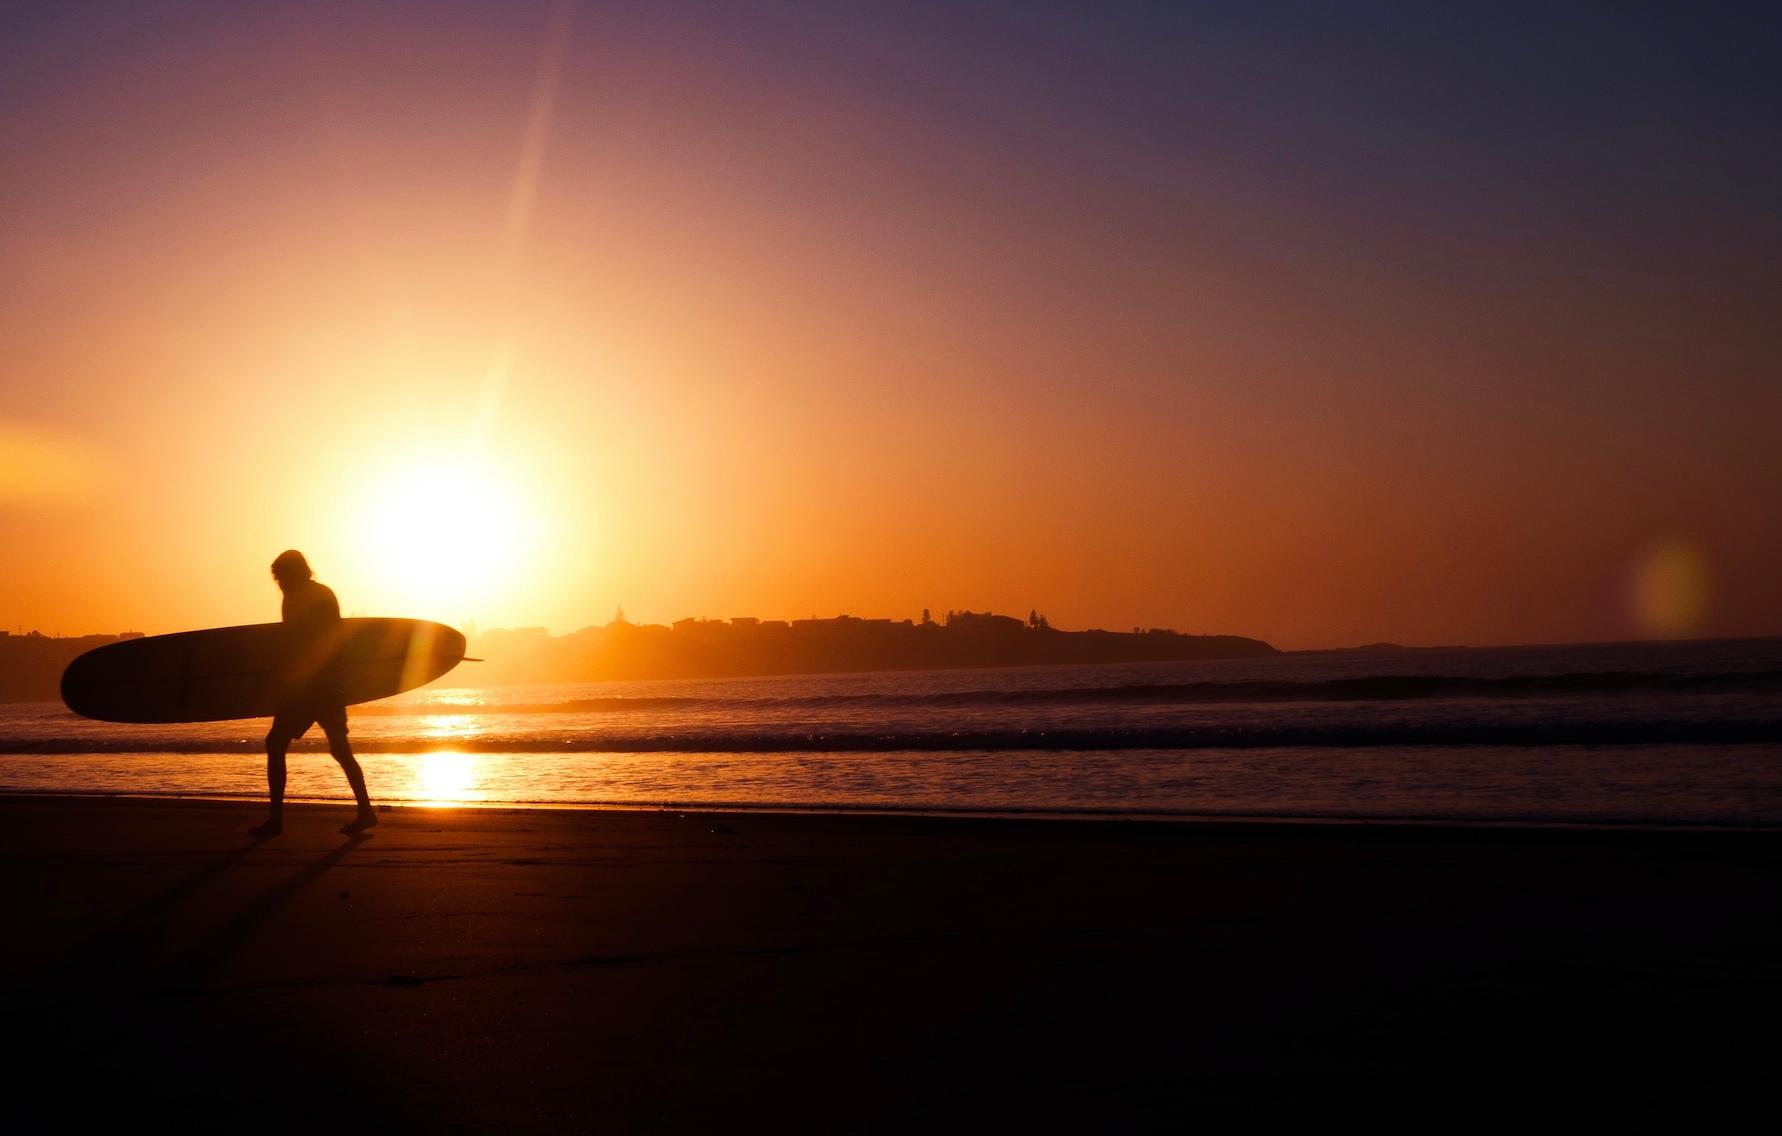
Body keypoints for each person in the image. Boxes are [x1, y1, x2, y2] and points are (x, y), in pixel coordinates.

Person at [251, 550, 377, 837]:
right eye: (276, 576)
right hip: (319, 687)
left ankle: (276, 821)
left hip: (316, 687)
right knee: (332, 750)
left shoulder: (317, 595)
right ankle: (365, 812)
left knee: (284, 744)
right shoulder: (295, 595)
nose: (278, 581)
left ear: (297, 572)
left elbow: (325, 640)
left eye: (282, 575)